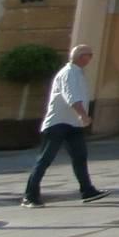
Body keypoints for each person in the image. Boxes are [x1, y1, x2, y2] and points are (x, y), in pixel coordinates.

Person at [23, 44, 107, 207]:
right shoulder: (69, 73)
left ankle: (87, 190)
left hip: (73, 124)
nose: (91, 58)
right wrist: (83, 115)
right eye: (89, 55)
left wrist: (80, 118)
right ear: (82, 57)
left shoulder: (78, 73)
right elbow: (72, 97)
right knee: (45, 159)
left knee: (79, 157)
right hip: (58, 123)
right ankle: (30, 195)